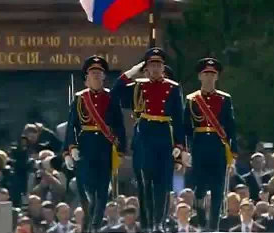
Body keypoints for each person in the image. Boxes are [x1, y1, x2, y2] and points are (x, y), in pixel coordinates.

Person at [112, 47, 186, 232]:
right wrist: (132, 72)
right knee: (145, 183)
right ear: (146, 68)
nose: (155, 68)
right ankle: (147, 224)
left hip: (163, 137)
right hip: (144, 137)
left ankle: (159, 223)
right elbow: (115, 93)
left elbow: (179, 119)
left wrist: (179, 146)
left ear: (163, 67)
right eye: (151, 65)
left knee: (162, 184)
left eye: (158, 65)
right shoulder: (138, 86)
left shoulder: (173, 88)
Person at [63, 55, 126, 233]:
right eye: (93, 73)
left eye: (99, 73)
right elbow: (71, 127)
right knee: (86, 191)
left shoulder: (111, 98)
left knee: (102, 192)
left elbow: (119, 126)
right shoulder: (79, 99)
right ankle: (89, 225)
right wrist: (70, 149)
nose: (97, 76)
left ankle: (94, 227)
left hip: (104, 150)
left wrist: (120, 151)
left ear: (104, 77)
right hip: (84, 150)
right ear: (86, 78)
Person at [184, 57, 238, 231]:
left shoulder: (225, 99)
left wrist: (234, 152)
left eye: (212, 74)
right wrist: (185, 150)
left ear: (217, 77)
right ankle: (199, 214)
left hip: (218, 147)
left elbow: (231, 126)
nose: (209, 77)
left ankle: (213, 227)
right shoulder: (192, 99)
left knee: (217, 189)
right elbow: (185, 127)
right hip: (199, 147)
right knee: (199, 188)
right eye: (205, 74)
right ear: (200, 77)